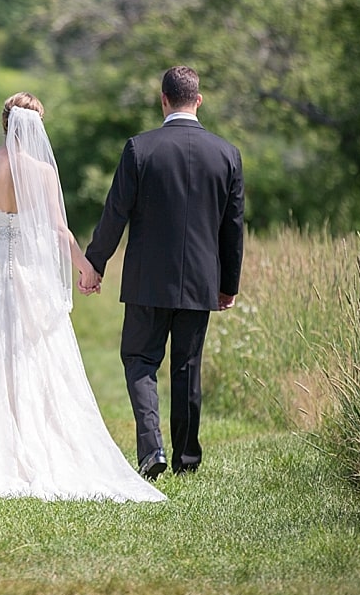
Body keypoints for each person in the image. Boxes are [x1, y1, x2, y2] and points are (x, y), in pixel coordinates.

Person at [0, 92, 165, 502]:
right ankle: (37, 439)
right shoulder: (44, 173)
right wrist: (85, 266)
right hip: (32, 272)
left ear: (4, 123)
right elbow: (57, 230)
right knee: (34, 351)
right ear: (36, 127)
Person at [81, 66, 245, 480]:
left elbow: (115, 213)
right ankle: (186, 460)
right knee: (187, 366)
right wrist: (228, 285)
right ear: (199, 100)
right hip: (201, 282)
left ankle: (151, 448)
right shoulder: (227, 154)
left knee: (139, 359)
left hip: (147, 280)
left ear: (163, 100)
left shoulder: (140, 148)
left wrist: (94, 264)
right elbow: (233, 226)